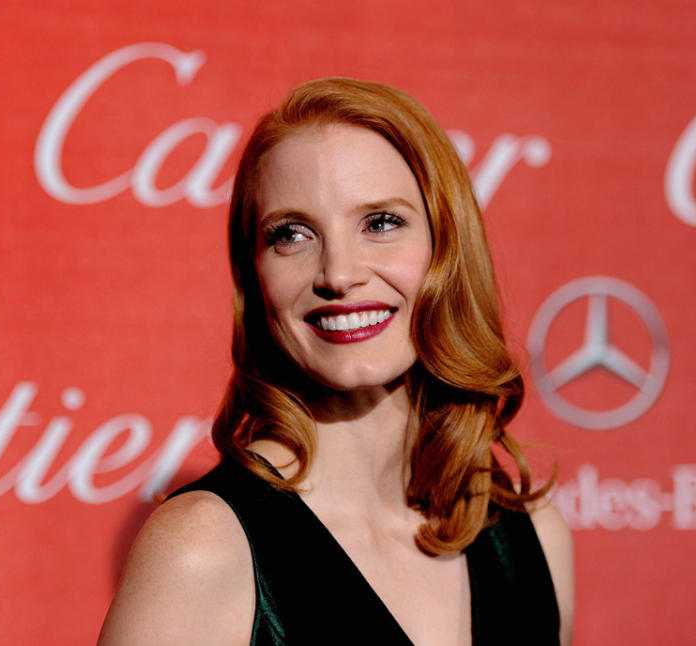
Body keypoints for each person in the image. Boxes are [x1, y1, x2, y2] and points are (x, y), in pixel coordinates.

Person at [97, 77, 573, 646]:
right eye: (292, 235)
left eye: (380, 223)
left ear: (447, 247)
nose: (338, 273)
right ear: (255, 276)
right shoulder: (204, 547)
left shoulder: (532, 537)